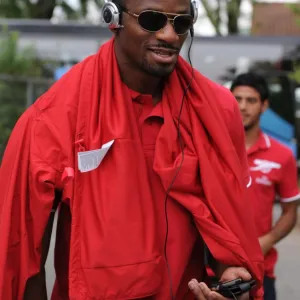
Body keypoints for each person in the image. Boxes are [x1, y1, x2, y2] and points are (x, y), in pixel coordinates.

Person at [0, 0, 264, 299]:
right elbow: (21, 253)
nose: (169, 35)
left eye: (181, 23)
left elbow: (224, 221)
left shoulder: (215, 110)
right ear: (114, 18)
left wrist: (229, 275)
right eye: (152, 20)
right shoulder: (54, 116)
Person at [230, 73, 300, 300]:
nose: (243, 107)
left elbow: (290, 211)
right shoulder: (210, 149)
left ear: (264, 105)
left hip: (259, 271)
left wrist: (265, 242)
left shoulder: (282, 155)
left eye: (251, 100)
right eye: (237, 99)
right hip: (209, 270)